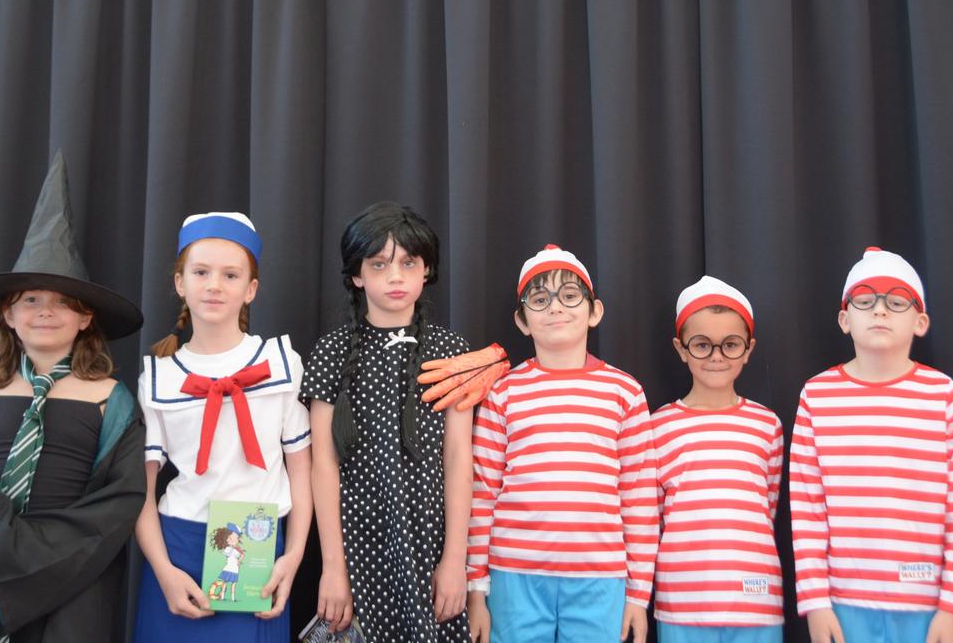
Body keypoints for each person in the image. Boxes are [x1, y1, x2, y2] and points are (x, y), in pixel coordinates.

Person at [0, 152, 146, 642]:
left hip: (74, 580)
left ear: (86, 318)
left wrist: (43, 552)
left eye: (64, 302)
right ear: (8, 314)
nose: (46, 312)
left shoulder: (110, 398)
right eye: (31, 300)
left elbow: (121, 500)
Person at [133, 212, 312, 642]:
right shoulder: (157, 378)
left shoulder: (282, 364)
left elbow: (302, 471)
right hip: (177, 548)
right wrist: (164, 572)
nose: (214, 285)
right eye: (200, 272)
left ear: (250, 289)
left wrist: (293, 556)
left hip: (258, 549)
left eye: (230, 275)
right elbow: (140, 490)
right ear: (180, 283)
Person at [466, 244, 657, 643]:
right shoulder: (503, 393)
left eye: (570, 296)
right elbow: (482, 493)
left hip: (600, 578)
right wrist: (477, 590)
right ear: (522, 320)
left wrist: (638, 595)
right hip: (513, 576)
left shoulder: (624, 392)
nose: (556, 307)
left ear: (594, 311)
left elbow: (638, 499)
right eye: (540, 299)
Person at [302, 201, 473, 643]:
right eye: (379, 264)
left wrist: (455, 559)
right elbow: (323, 464)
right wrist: (333, 567)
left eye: (407, 262)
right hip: (359, 548)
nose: (395, 276)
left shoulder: (452, 350)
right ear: (358, 276)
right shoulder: (331, 352)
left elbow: (458, 457)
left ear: (426, 270)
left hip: (432, 546)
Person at [790, 247, 953, 643]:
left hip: (925, 606)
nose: (879, 310)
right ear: (845, 318)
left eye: (895, 301)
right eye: (864, 300)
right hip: (843, 605)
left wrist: (952, 606)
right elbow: (807, 506)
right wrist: (816, 602)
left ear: (921, 320)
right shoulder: (817, 396)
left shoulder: (945, 397)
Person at [651, 276, 784, 642]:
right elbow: (653, 517)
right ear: (681, 349)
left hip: (756, 601)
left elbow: (766, 506)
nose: (716, 357)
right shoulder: (658, 427)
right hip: (682, 603)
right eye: (702, 345)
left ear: (748, 349)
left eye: (730, 345)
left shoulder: (767, 425)